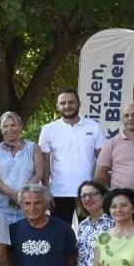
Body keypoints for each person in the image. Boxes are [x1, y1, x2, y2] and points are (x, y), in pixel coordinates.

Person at [38, 89, 102, 222]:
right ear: (57, 106)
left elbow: (102, 160)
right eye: (63, 103)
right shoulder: (48, 129)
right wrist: (45, 190)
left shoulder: (94, 127)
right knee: (60, 235)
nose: (67, 106)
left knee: (89, 233)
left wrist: (98, 188)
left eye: (71, 102)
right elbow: (45, 162)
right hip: (58, 192)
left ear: (79, 103)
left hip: (88, 193)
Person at [0, 111, 42, 225]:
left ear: (20, 127)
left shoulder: (33, 148)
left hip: (27, 204)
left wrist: (23, 194)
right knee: (1, 240)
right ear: (1, 130)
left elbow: (38, 173)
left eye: (13, 125)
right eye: (5, 126)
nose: (9, 129)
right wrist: (12, 194)